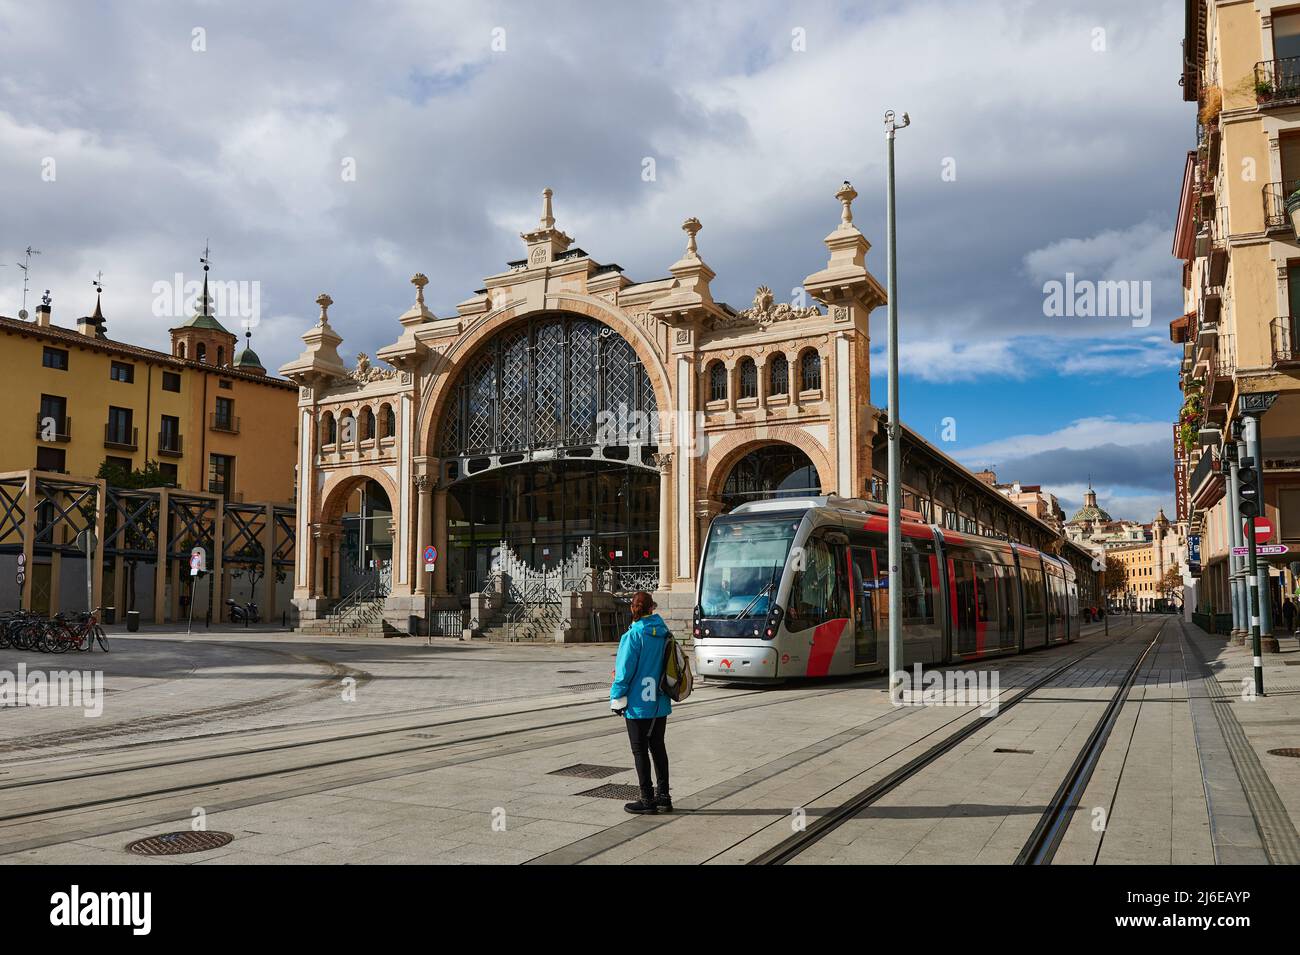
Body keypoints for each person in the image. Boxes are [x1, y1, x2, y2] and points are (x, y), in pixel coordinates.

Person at [610, 591, 672, 815]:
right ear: (652, 608)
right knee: (658, 747)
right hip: (660, 701)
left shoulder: (633, 636)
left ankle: (646, 799)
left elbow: (624, 672)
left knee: (639, 751)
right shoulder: (664, 633)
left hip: (637, 704)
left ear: (632, 609)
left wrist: (616, 698)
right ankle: (664, 796)